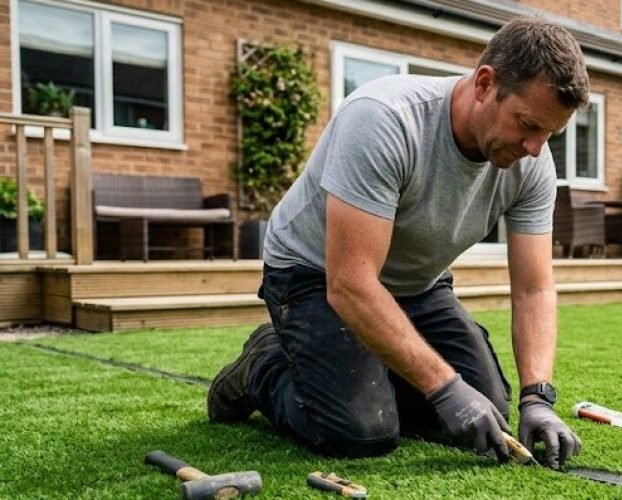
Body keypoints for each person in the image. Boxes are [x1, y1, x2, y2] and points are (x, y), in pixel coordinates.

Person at [206, 17, 588, 469]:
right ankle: (262, 366)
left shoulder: (533, 160)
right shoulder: (384, 119)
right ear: (485, 84)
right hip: (314, 274)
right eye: (526, 124)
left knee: (486, 412)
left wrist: (537, 398)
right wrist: (443, 385)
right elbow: (350, 283)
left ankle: (373, 366)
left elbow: (533, 288)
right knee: (361, 432)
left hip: (417, 283)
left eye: (548, 133)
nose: (534, 147)